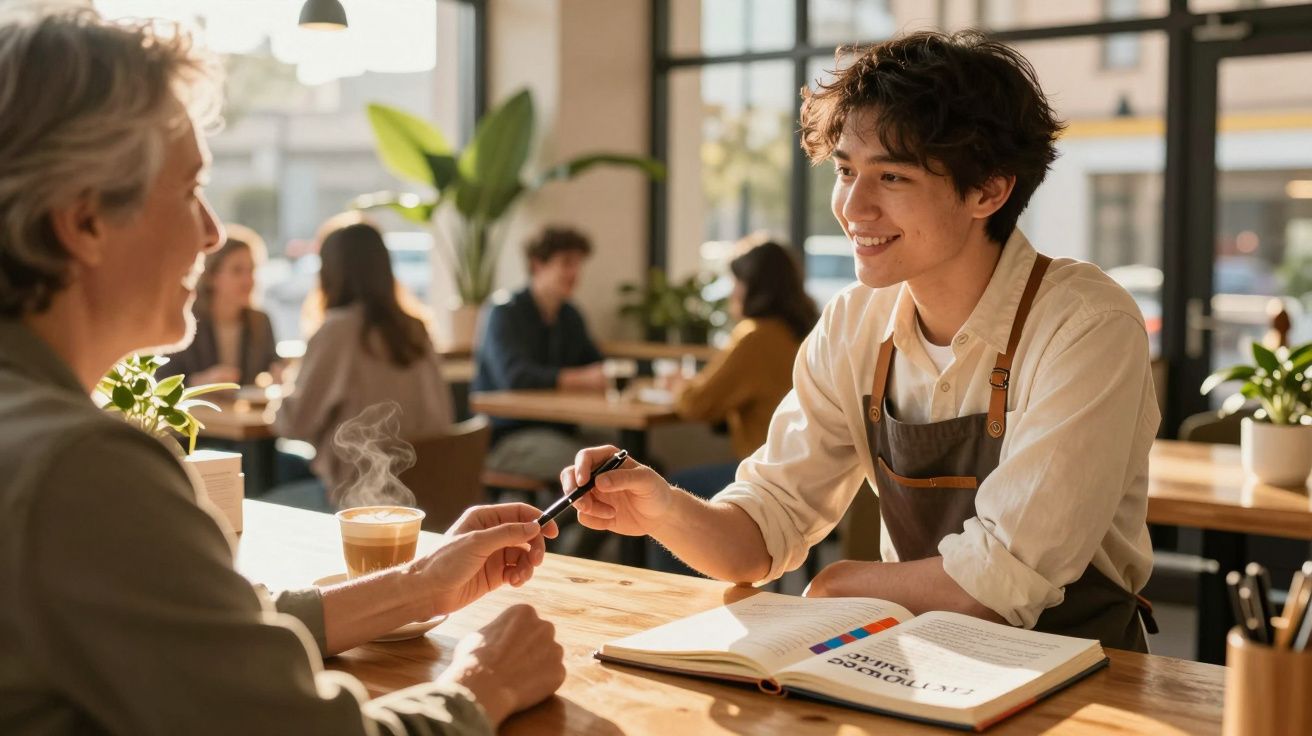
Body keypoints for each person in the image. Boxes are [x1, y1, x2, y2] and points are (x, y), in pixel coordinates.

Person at [0, 11, 564, 734]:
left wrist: (422, 583)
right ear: (82, 223)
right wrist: (481, 686)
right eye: (189, 189)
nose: (210, 231)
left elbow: (204, 629)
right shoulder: (81, 468)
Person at [563, 31, 1159, 651]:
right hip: (916, 665)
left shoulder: (1085, 326)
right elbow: (767, 524)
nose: (852, 206)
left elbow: (999, 579)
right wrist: (663, 508)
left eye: (892, 177)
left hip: (1086, 676)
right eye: (846, 170)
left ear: (989, 189)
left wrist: (837, 585)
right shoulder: (854, 323)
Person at [275, 220, 454, 506]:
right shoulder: (415, 329)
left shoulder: (337, 331)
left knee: (262, 497)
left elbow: (294, 425)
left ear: (329, 272)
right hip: (429, 498)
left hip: (359, 501)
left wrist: (280, 387)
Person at [473, 226, 607, 480]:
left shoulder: (570, 315)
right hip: (506, 435)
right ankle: (568, 520)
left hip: (560, 431)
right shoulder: (504, 311)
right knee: (591, 470)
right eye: (566, 263)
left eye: (578, 264)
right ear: (537, 265)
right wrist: (582, 379)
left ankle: (576, 520)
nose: (575, 273)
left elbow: (598, 364)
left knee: (630, 461)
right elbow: (514, 377)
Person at [157, 223, 281, 387]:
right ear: (211, 277)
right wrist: (201, 382)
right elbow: (163, 381)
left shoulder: (260, 321)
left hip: (244, 412)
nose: (248, 280)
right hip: (199, 411)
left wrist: (279, 374)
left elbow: (273, 365)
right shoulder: (185, 320)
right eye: (237, 270)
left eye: (251, 270)